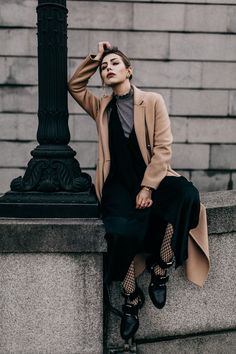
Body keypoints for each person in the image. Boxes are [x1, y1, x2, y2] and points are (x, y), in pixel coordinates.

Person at [68, 41, 210, 341]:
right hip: (118, 184)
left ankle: (162, 265)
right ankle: (131, 298)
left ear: (129, 70)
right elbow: (75, 86)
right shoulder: (102, 106)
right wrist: (96, 57)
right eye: (105, 67)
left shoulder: (153, 100)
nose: (109, 68)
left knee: (186, 195)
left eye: (115, 63)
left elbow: (163, 148)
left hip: (152, 176)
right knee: (119, 232)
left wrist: (148, 187)